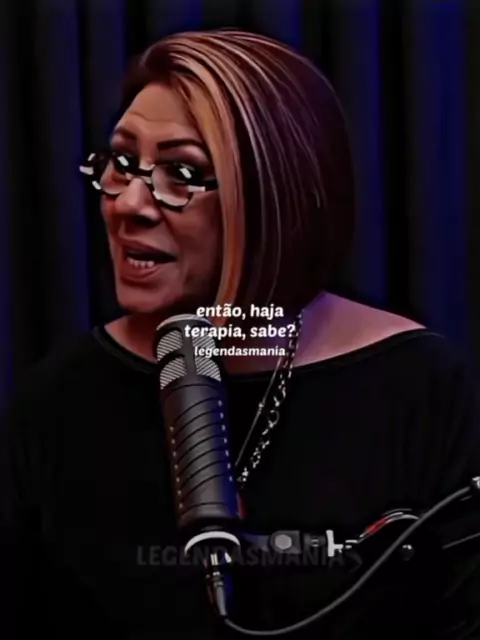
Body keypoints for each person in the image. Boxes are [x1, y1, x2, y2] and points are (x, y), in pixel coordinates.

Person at [1, 28, 480, 640]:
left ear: (277, 196)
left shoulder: (421, 389)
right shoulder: (56, 399)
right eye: (121, 164)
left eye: (181, 173)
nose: (127, 204)